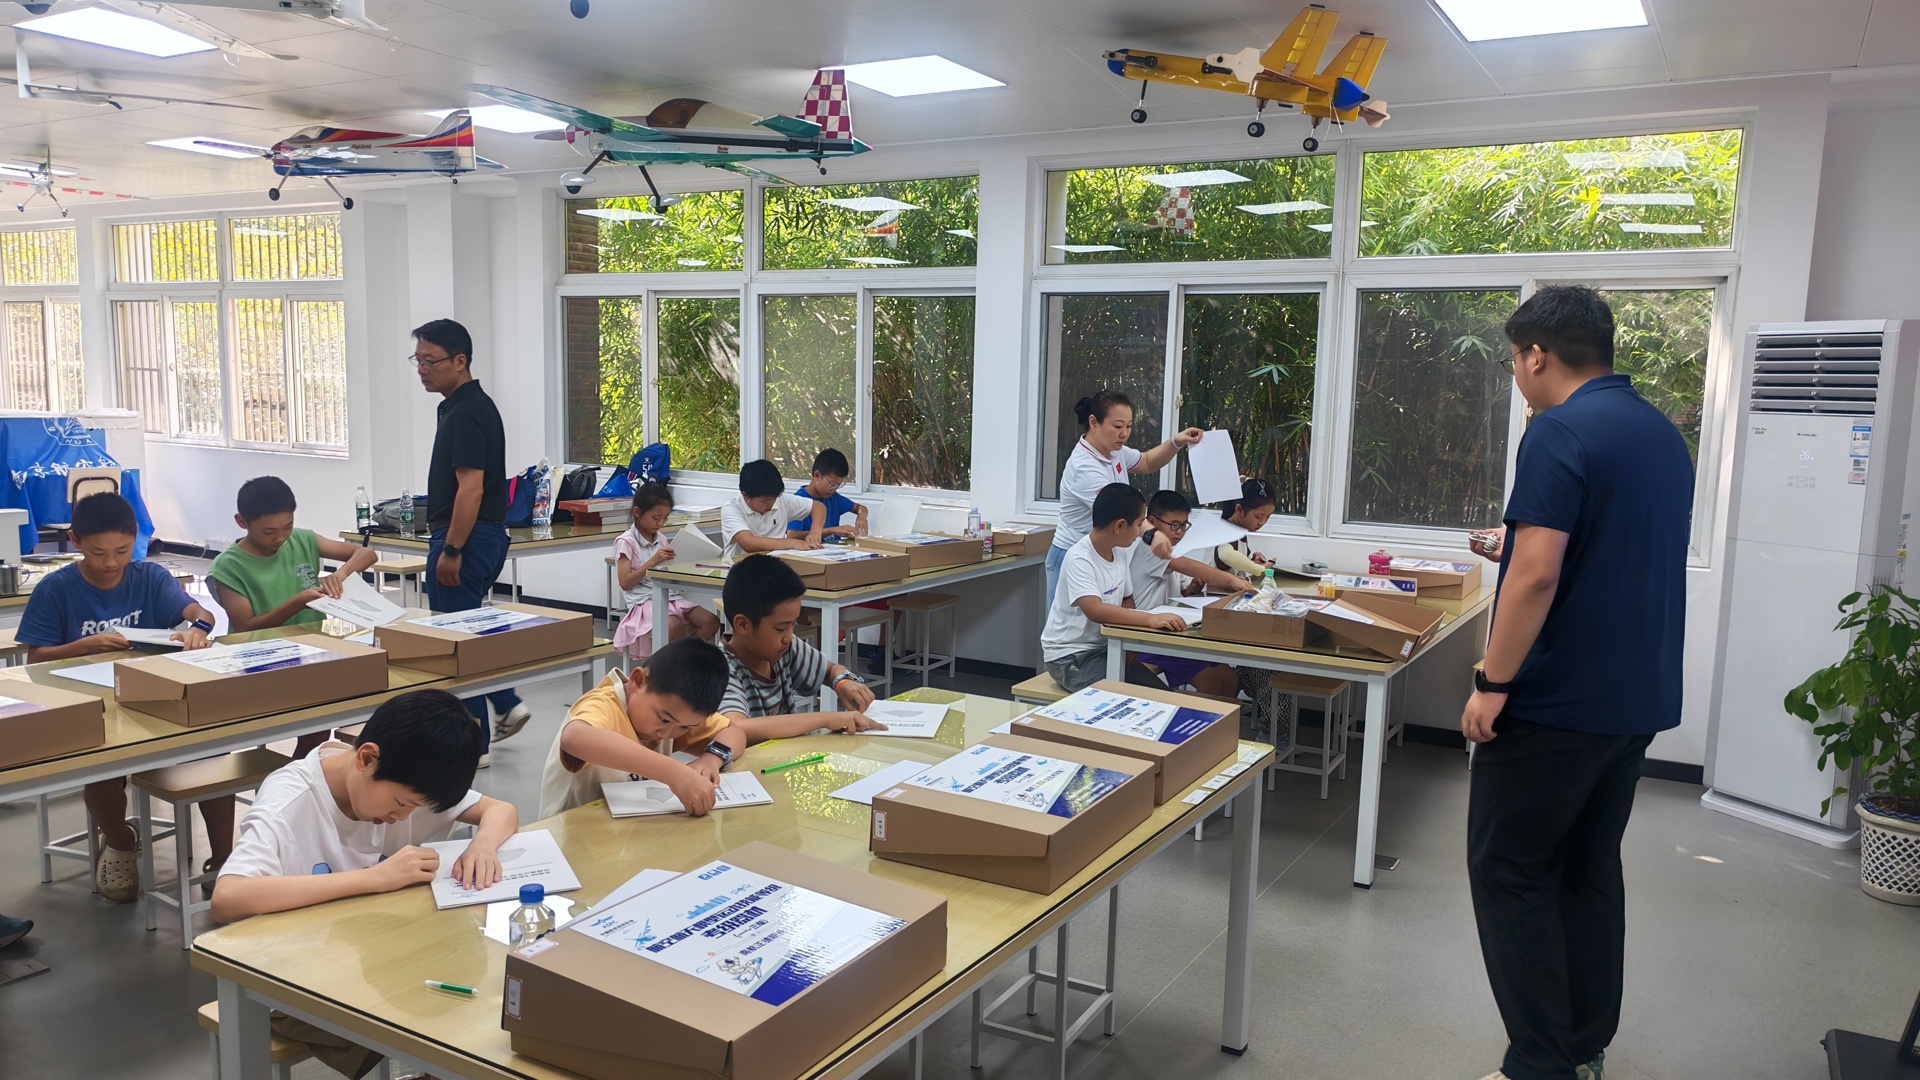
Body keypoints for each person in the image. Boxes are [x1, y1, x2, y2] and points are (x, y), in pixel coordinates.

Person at [1461, 286, 1692, 1080]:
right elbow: (1613, 546)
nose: (1517, 375)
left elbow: (1535, 578)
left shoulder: (1558, 430)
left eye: (1514, 359)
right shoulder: (1660, 432)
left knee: (1510, 869)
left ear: (1536, 354)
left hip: (1556, 703)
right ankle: (1584, 1045)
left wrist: (1492, 681)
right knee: (1589, 867)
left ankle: (1539, 1063)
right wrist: (1520, 544)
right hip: (1635, 699)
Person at [211, 689, 516, 1079]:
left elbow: (500, 810)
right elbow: (228, 896)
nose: (400, 817)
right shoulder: (291, 800)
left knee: (484, 989)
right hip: (304, 975)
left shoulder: (405, 778)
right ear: (366, 758)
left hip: (382, 954)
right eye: (402, 804)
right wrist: (373, 879)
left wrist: (483, 845)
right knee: (455, 1014)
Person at [19, 492, 221, 903]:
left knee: (213, 751)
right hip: (88, 702)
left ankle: (224, 859)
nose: (111, 562)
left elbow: (200, 613)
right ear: (75, 541)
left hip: (150, 696)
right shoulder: (57, 588)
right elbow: (35, 658)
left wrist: (198, 629)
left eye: (123, 551)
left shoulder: (149, 578)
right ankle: (120, 841)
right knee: (101, 767)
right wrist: (84, 646)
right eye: (98, 553)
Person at [413, 318, 529, 762]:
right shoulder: (465, 406)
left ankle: (477, 741)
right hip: (481, 536)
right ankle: (501, 707)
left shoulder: (465, 412)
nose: (422, 369)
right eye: (417, 360)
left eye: (431, 361)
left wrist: (452, 549)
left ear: (459, 361)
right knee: (466, 633)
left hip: (467, 538)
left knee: (455, 643)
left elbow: (471, 489)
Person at [207, 475, 379, 758]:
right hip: (258, 660)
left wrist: (340, 575)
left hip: (311, 654)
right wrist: (297, 602)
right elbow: (245, 626)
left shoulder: (302, 539)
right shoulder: (228, 566)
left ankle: (302, 771)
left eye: (287, 526)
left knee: (320, 727)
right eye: (269, 531)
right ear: (241, 522)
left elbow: (366, 553)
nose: (280, 537)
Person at [538, 636, 741, 818]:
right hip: (572, 834)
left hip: (626, 831)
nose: (667, 733)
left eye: (685, 728)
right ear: (638, 681)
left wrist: (712, 759)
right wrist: (674, 772)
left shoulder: (676, 714)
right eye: (664, 720)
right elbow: (574, 737)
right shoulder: (602, 705)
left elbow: (734, 731)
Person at [1046, 389, 1205, 603]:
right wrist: (1153, 534)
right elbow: (1120, 512)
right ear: (1093, 423)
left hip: (1103, 553)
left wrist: (1176, 442)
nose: (1124, 434)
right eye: (1118, 426)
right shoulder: (1084, 467)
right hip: (1072, 553)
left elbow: (1146, 462)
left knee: (1103, 619)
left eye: (1128, 426)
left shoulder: (1113, 451)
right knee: (1071, 622)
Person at [715, 555, 886, 738]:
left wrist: (843, 682)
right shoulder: (719, 669)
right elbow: (737, 727)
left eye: (793, 624)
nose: (789, 637)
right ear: (743, 625)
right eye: (780, 628)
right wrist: (826, 718)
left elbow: (829, 670)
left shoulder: (782, 649)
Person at [1041, 483, 1188, 693]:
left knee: (1160, 695)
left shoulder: (1118, 552)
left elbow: (1127, 599)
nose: (1141, 532)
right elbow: (1095, 610)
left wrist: (1128, 637)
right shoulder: (1079, 558)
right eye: (1139, 525)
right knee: (1122, 698)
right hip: (1071, 656)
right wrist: (1150, 619)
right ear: (1119, 526)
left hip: (1107, 649)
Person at [1128, 490, 1247, 698]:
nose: (1179, 532)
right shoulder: (1150, 548)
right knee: (1210, 681)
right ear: (1151, 522)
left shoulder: (1174, 549)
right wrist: (1230, 579)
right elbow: (1184, 565)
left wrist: (1191, 589)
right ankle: (1195, 719)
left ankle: (1219, 720)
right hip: (1148, 637)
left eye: (1184, 526)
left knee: (1229, 678)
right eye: (1174, 525)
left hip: (1172, 633)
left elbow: (1182, 589)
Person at [610, 483, 721, 663]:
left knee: (711, 621)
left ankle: (683, 659)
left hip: (669, 596)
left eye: (665, 518)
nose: (660, 523)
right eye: (656, 518)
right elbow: (625, 582)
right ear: (637, 512)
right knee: (673, 626)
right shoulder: (626, 541)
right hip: (643, 602)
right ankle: (669, 669)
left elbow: (668, 569)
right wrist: (652, 562)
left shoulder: (661, 538)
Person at [721, 459, 826, 560]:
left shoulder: (781, 500)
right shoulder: (732, 508)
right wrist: (792, 542)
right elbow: (748, 543)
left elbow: (818, 507)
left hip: (775, 566)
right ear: (746, 496)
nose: (770, 505)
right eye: (765, 502)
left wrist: (815, 532)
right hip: (740, 568)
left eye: (774, 499)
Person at [786, 448, 868, 539]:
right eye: (831, 484)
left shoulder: (833, 498)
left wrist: (861, 517)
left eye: (839, 485)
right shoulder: (799, 501)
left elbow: (860, 508)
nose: (834, 489)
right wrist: (832, 530)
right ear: (817, 476)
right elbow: (792, 535)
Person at [1214, 478, 1278, 575]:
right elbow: (1225, 554)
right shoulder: (1226, 531)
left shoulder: (1239, 532)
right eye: (1258, 517)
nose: (1262, 522)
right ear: (1239, 510)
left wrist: (1253, 560)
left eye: (1268, 516)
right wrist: (1259, 568)